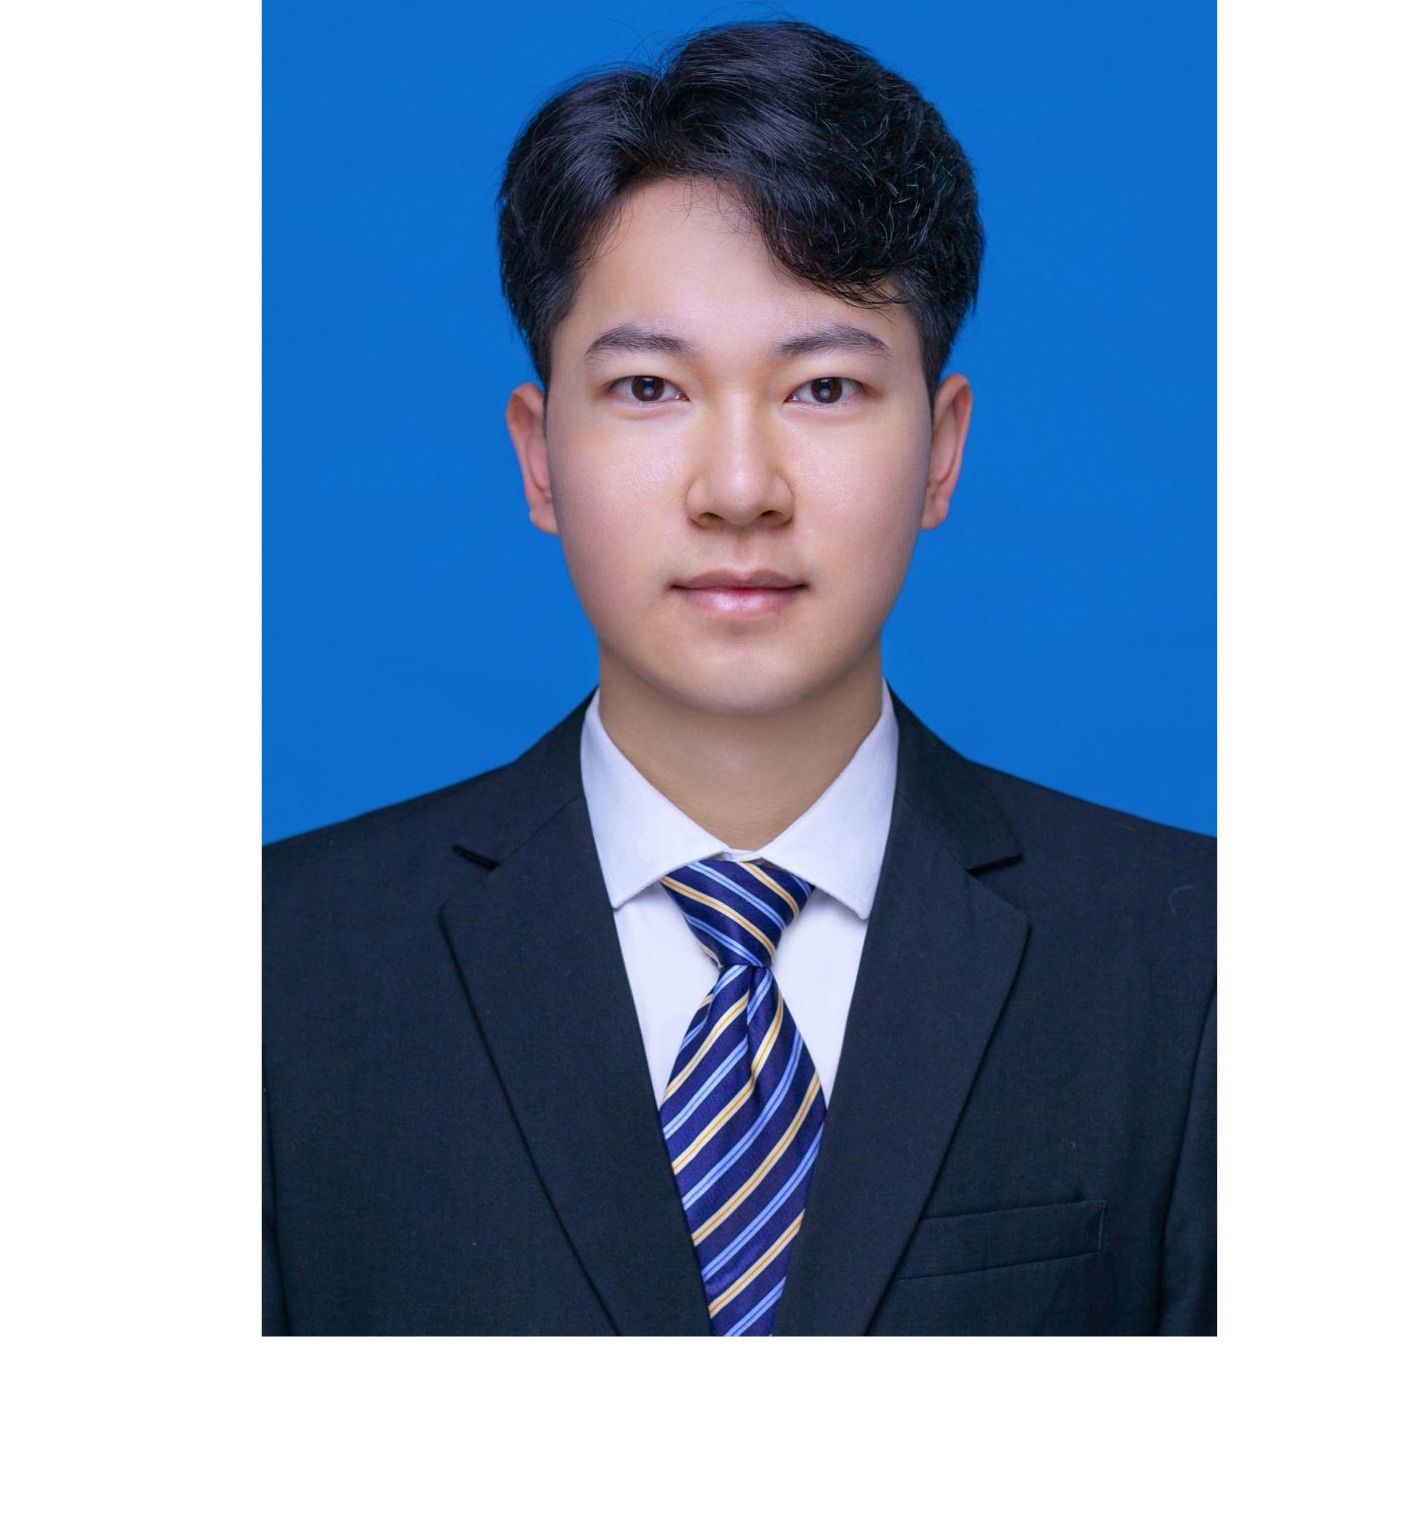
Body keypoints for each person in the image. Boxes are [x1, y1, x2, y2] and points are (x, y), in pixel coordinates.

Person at [263, 19, 1215, 1336]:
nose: (737, 489)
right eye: (649, 387)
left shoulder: (1194, 958)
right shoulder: (277, 970)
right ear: (539, 457)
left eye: (821, 389)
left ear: (941, 450)